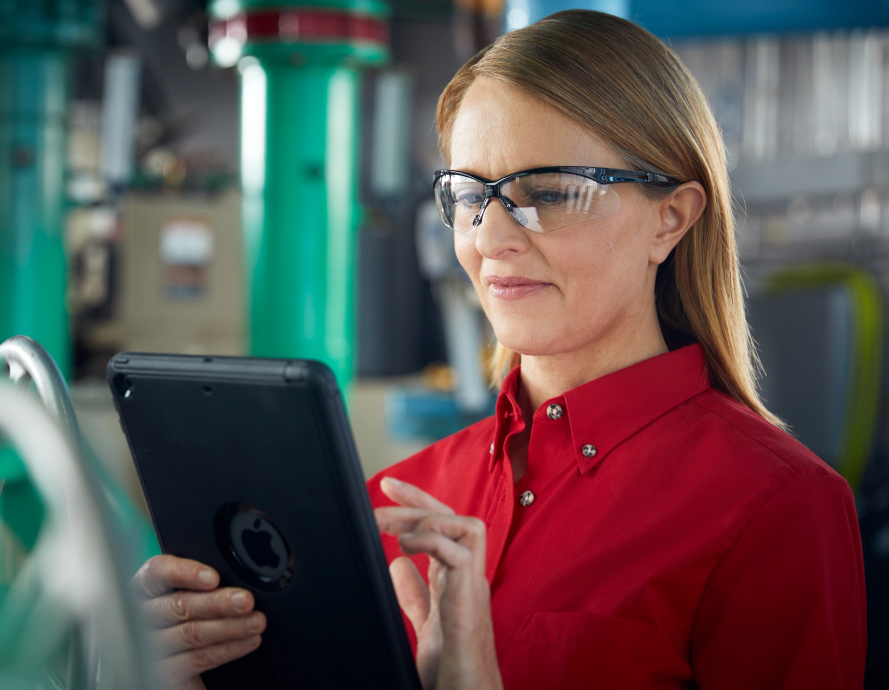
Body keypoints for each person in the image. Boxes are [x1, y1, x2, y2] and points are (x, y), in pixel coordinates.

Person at [131, 10, 867, 689]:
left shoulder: (775, 507)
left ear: (669, 219)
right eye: (470, 195)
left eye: (551, 192)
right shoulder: (394, 504)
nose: (490, 239)